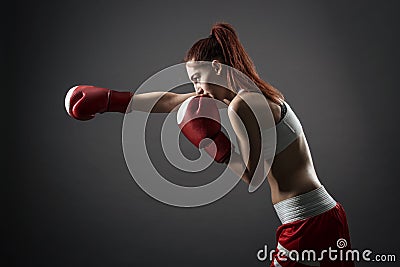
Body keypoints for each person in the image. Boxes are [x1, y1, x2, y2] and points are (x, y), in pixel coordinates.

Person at [65, 23, 354, 267]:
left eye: (197, 79)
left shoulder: (243, 105)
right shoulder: (252, 93)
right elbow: (169, 100)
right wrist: (111, 100)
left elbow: (254, 175)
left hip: (305, 222)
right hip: (325, 213)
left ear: (216, 67)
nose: (196, 90)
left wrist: (212, 143)